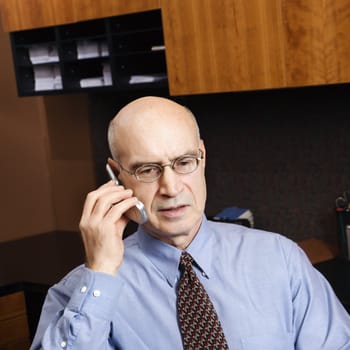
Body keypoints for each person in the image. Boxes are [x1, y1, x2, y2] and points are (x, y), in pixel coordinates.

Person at [31, 96, 350, 349]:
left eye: (184, 163)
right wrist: (100, 272)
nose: (171, 188)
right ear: (117, 176)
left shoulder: (281, 259)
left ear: (202, 157)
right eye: (148, 170)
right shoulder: (80, 293)